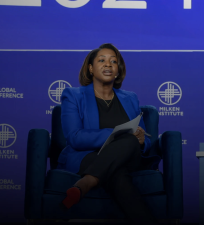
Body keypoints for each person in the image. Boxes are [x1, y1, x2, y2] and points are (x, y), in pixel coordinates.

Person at [57, 43, 158, 225]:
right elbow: (75, 137)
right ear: (90, 68)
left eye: (113, 61)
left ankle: (86, 182)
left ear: (118, 70)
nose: (108, 64)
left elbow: (144, 138)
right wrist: (115, 133)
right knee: (118, 172)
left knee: (129, 140)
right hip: (87, 157)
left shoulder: (130, 98)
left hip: (129, 156)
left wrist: (143, 141)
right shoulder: (73, 95)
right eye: (101, 60)